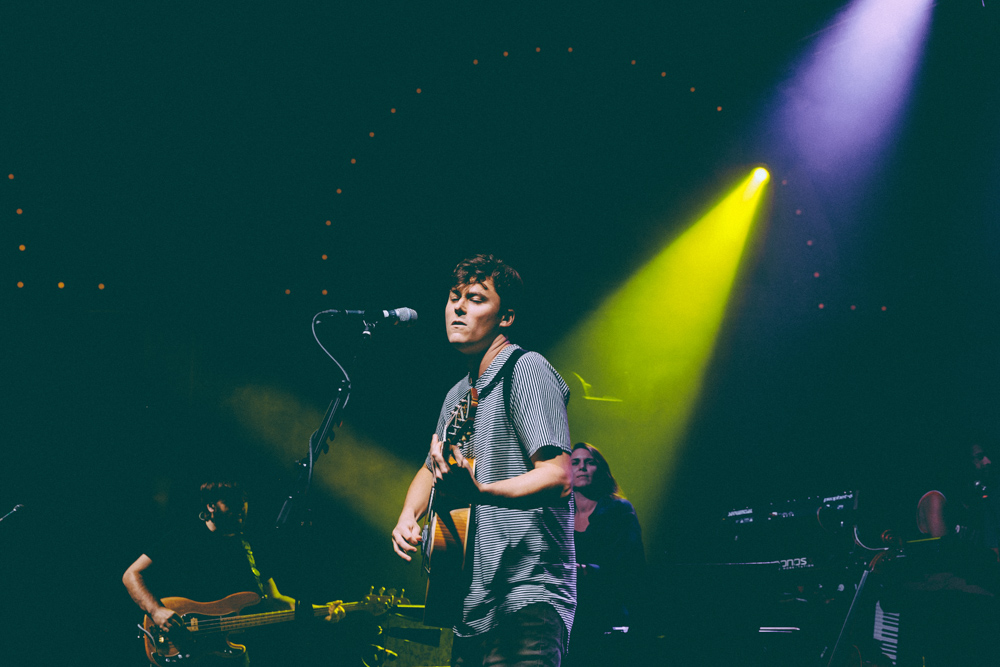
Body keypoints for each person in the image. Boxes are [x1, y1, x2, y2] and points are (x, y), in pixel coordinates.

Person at [390, 254, 576, 667]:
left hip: (526, 598)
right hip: (469, 608)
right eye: (454, 297)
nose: (458, 307)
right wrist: (408, 514)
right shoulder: (457, 395)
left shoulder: (525, 370)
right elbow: (428, 468)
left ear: (506, 316)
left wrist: (482, 492)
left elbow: (559, 475)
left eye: (475, 298)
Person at [123, 481, 345, 666]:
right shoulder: (184, 536)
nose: (240, 508)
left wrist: (321, 611)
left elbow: (274, 600)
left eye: (243, 502)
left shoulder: (249, 546)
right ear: (211, 505)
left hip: (229, 656)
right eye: (231, 501)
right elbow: (132, 574)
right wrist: (156, 610)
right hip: (180, 645)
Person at [566, 442, 644, 667]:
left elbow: (632, 569)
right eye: (575, 462)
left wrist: (586, 571)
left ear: (601, 470)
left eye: (589, 462)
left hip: (606, 615)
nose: (582, 467)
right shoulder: (559, 514)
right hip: (570, 617)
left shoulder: (619, 510)